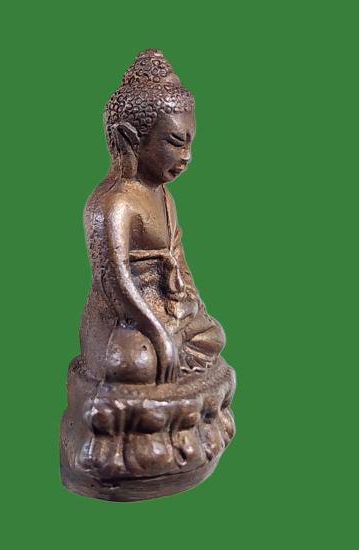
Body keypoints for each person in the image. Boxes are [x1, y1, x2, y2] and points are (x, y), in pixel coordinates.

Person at [80, 49, 225, 385]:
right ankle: (160, 354)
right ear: (130, 139)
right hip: (124, 320)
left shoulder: (164, 196)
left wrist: (189, 303)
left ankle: (171, 347)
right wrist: (158, 334)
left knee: (213, 335)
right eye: (175, 142)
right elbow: (114, 283)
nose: (186, 156)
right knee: (137, 363)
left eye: (190, 143)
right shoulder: (114, 204)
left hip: (165, 308)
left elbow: (179, 261)